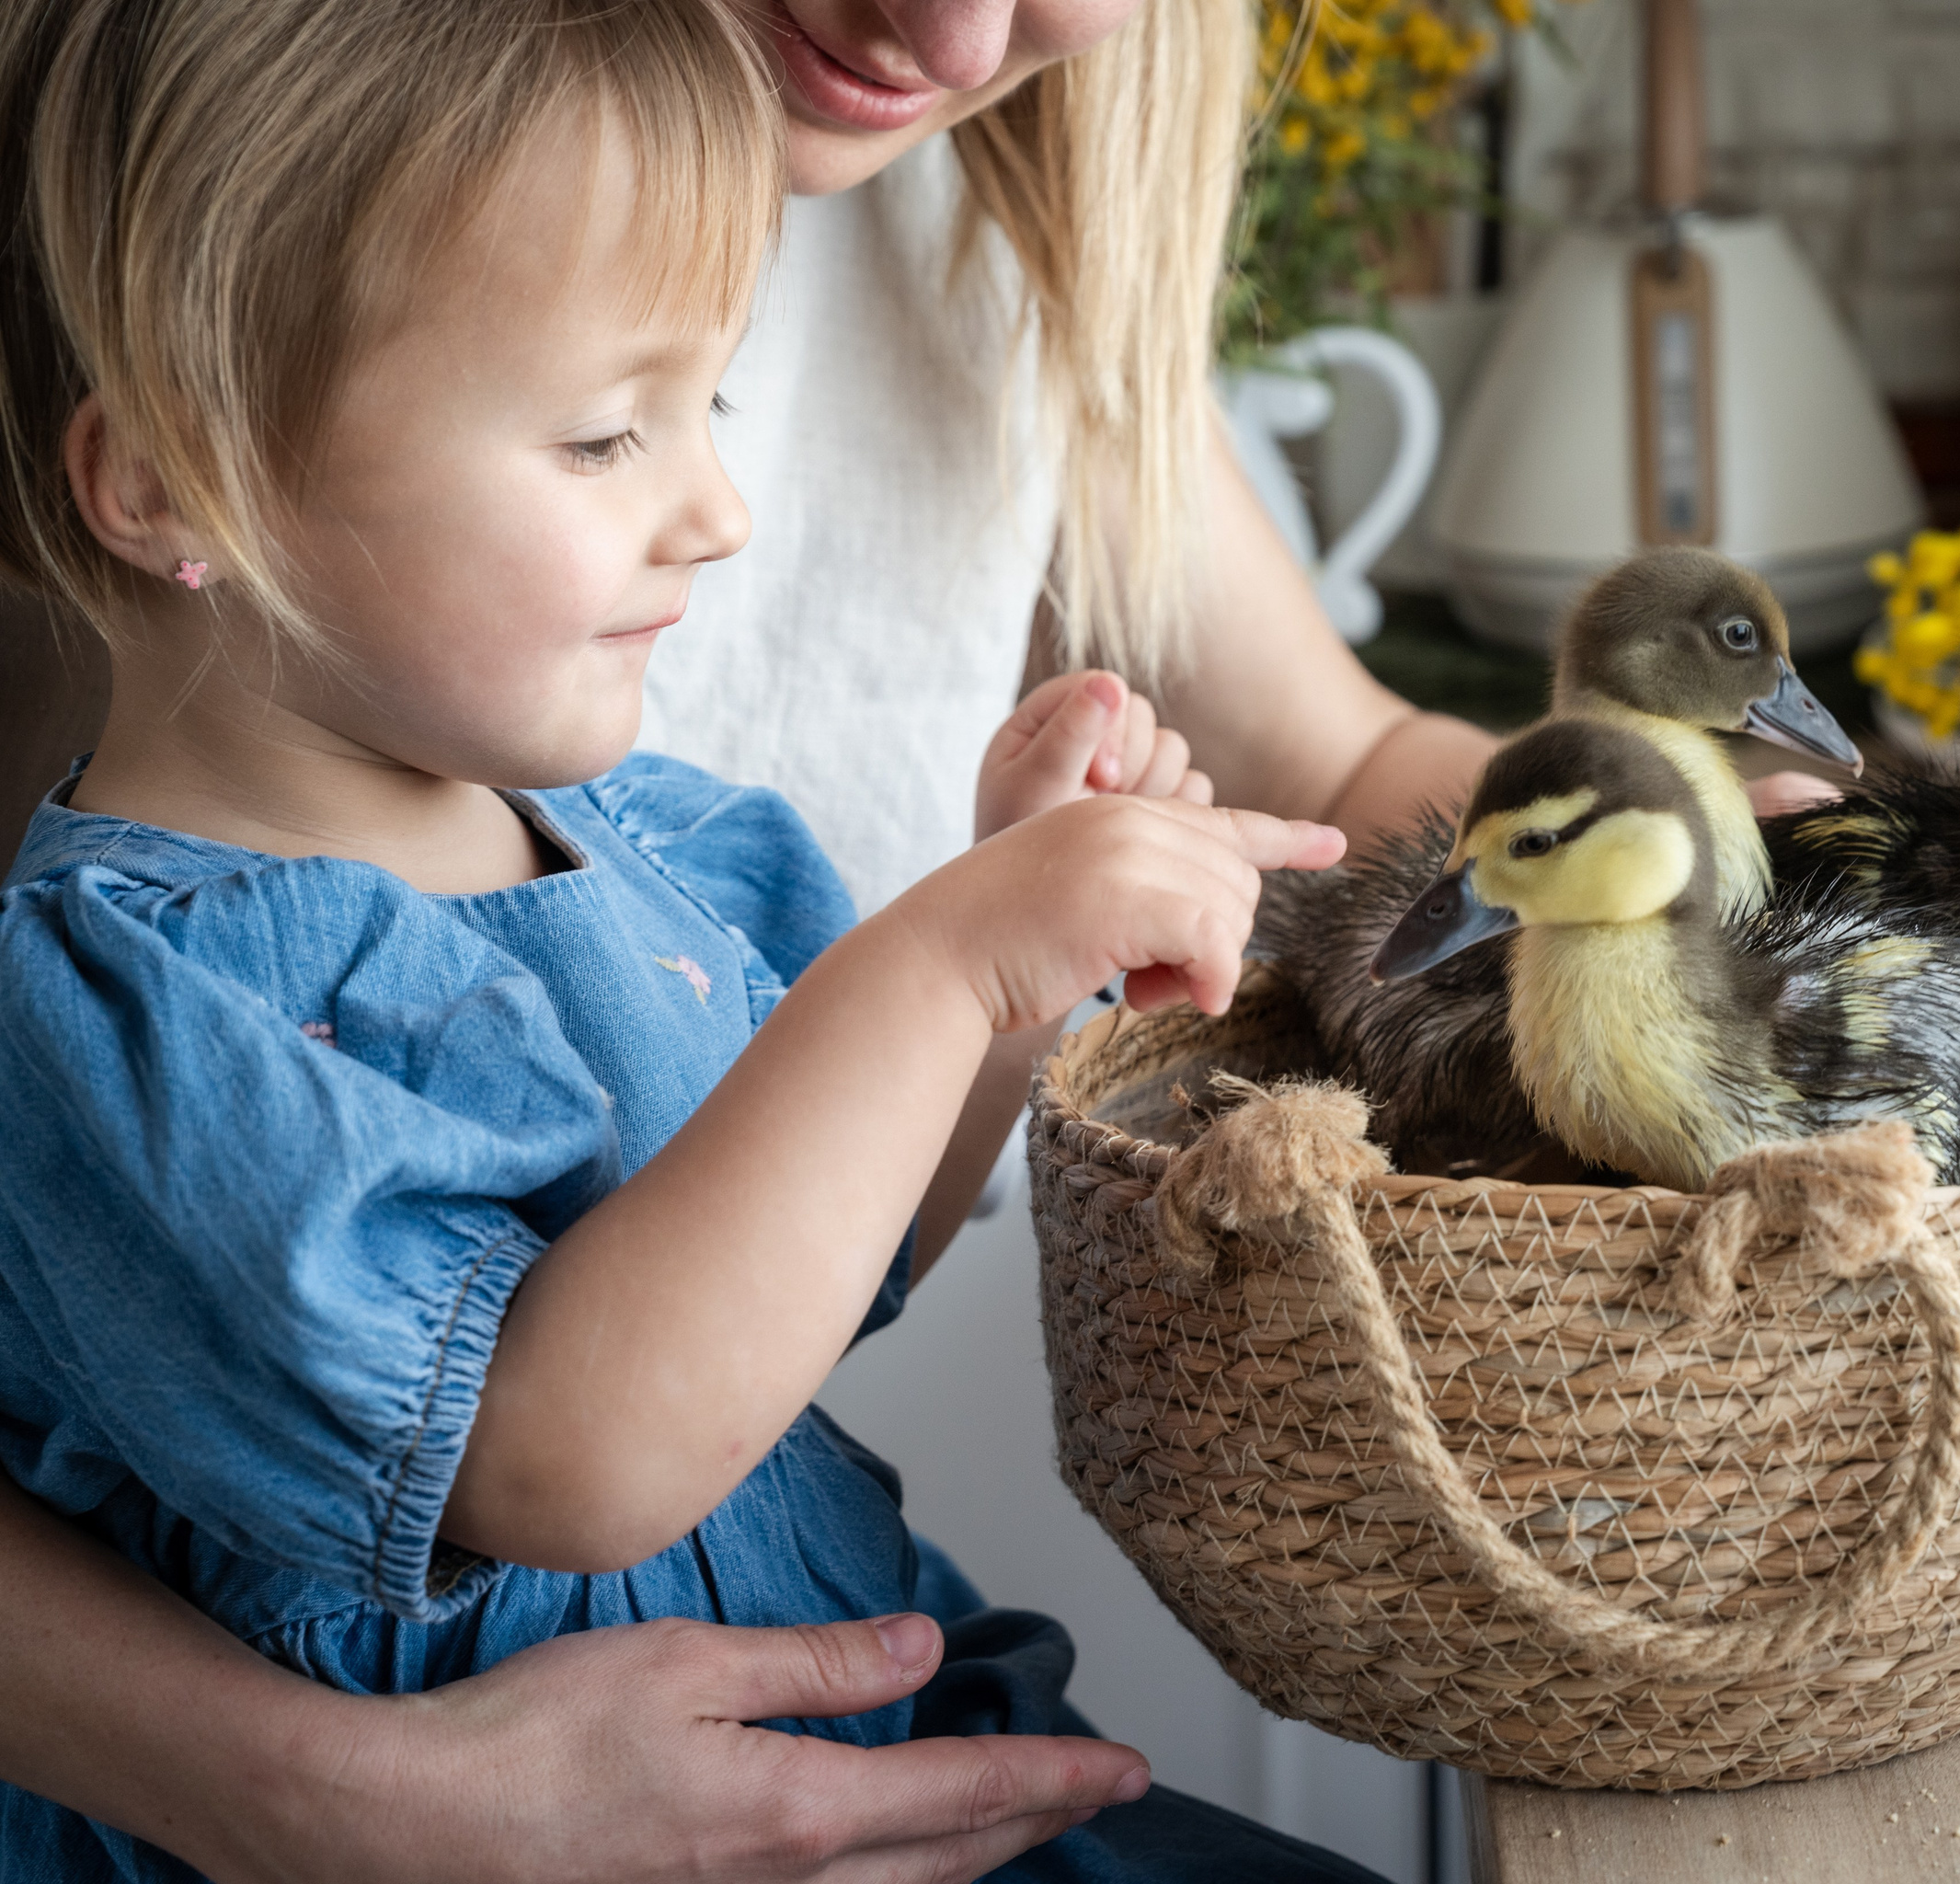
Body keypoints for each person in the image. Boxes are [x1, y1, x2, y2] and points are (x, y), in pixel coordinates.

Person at [0, 0, 1840, 1875]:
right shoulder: (146, 1001)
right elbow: (565, 1458)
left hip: (845, 1732)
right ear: (164, 480)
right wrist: (945, 957)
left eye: (705, 412)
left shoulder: (609, 835)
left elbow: (819, 1261)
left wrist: (1008, 992)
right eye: (604, 436)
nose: (717, 514)